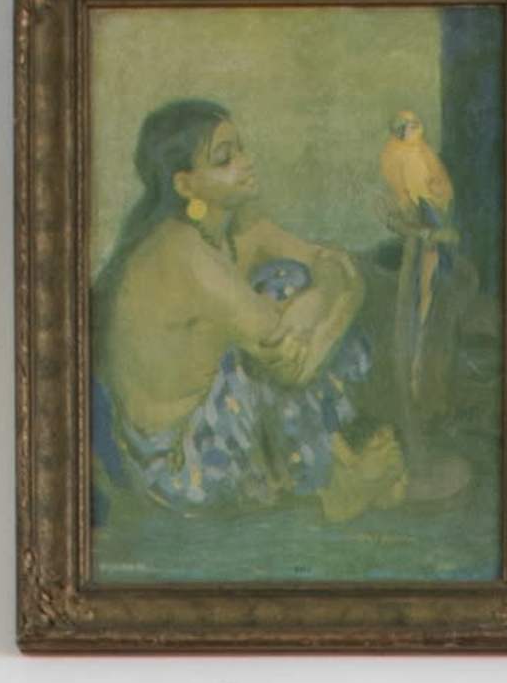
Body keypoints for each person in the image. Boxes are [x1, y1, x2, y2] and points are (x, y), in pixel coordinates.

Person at [93, 96, 407, 527]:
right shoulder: (180, 249)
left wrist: (317, 302)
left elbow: (338, 266)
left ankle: (336, 463)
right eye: (225, 158)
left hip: (219, 420)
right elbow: (287, 364)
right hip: (182, 465)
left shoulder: (237, 226)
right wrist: (323, 306)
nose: (245, 162)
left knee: (289, 284)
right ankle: (330, 480)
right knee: (281, 293)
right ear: (186, 186)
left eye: (240, 148)